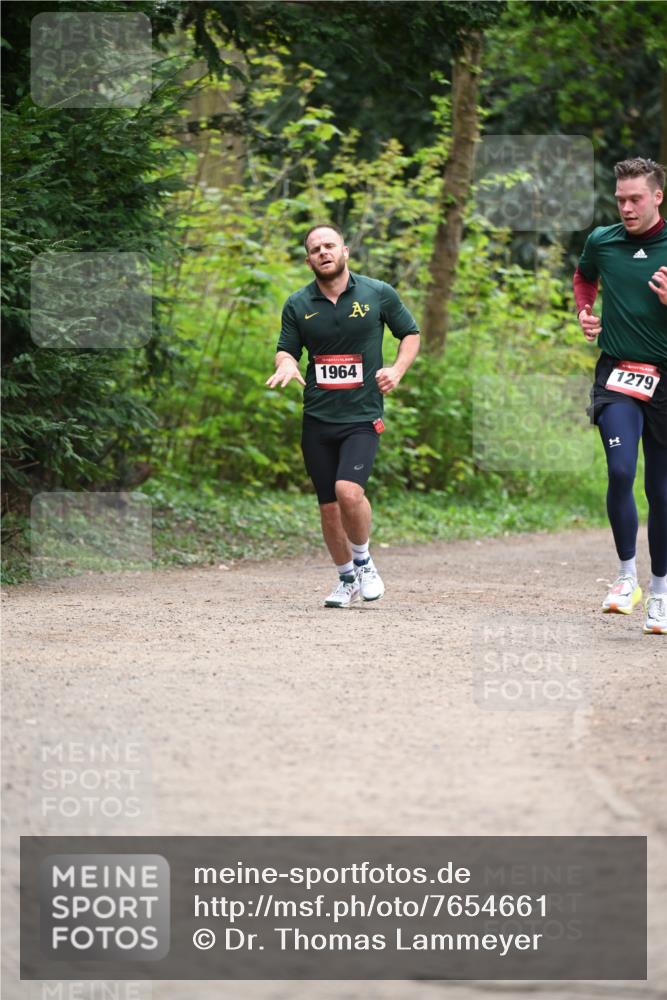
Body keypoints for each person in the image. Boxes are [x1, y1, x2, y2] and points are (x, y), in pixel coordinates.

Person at [266, 223, 420, 607]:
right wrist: (285, 364)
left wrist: (397, 371)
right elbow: (286, 349)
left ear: (345, 251)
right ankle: (346, 579)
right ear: (308, 260)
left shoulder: (377, 292)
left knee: (348, 492)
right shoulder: (298, 304)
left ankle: (365, 562)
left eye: (329, 245)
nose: (323, 252)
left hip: (362, 415)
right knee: (328, 506)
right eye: (315, 248)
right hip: (318, 418)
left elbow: (410, 333)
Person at [574, 157, 667, 634]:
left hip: (666, 379)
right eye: (620, 200)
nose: (626, 208)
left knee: (661, 490)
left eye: (635, 199)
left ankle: (661, 593)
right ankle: (626, 577)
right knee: (620, 468)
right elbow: (584, 276)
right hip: (617, 375)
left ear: (657, 197)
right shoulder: (602, 241)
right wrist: (586, 310)